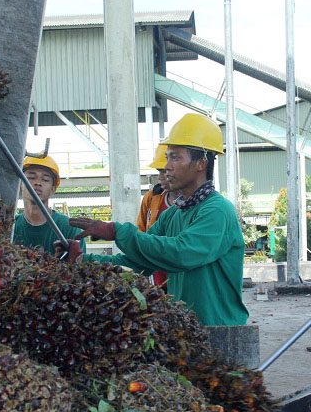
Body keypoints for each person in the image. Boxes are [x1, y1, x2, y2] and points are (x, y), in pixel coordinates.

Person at [63, 113, 248, 327]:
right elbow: (137, 262)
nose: (167, 166)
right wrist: (82, 262)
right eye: (167, 157)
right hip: (187, 330)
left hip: (222, 331)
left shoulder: (217, 211)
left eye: (175, 157)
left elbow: (182, 253)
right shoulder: (172, 216)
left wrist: (117, 231)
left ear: (201, 163)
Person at [11, 154, 85, 255]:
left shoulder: (69, 229)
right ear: (20, 184)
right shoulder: (10, 227)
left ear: (53, 189)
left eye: (45, 180)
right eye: (32, 177)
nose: (38, 183)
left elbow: (81, 267)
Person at [135, 144, 181, 288]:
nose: (161, 177)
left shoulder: (199, 205)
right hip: (156, 277)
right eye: (159, 171)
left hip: (180, 275)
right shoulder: (152, 198)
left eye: (164, 171)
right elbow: (141, 232)